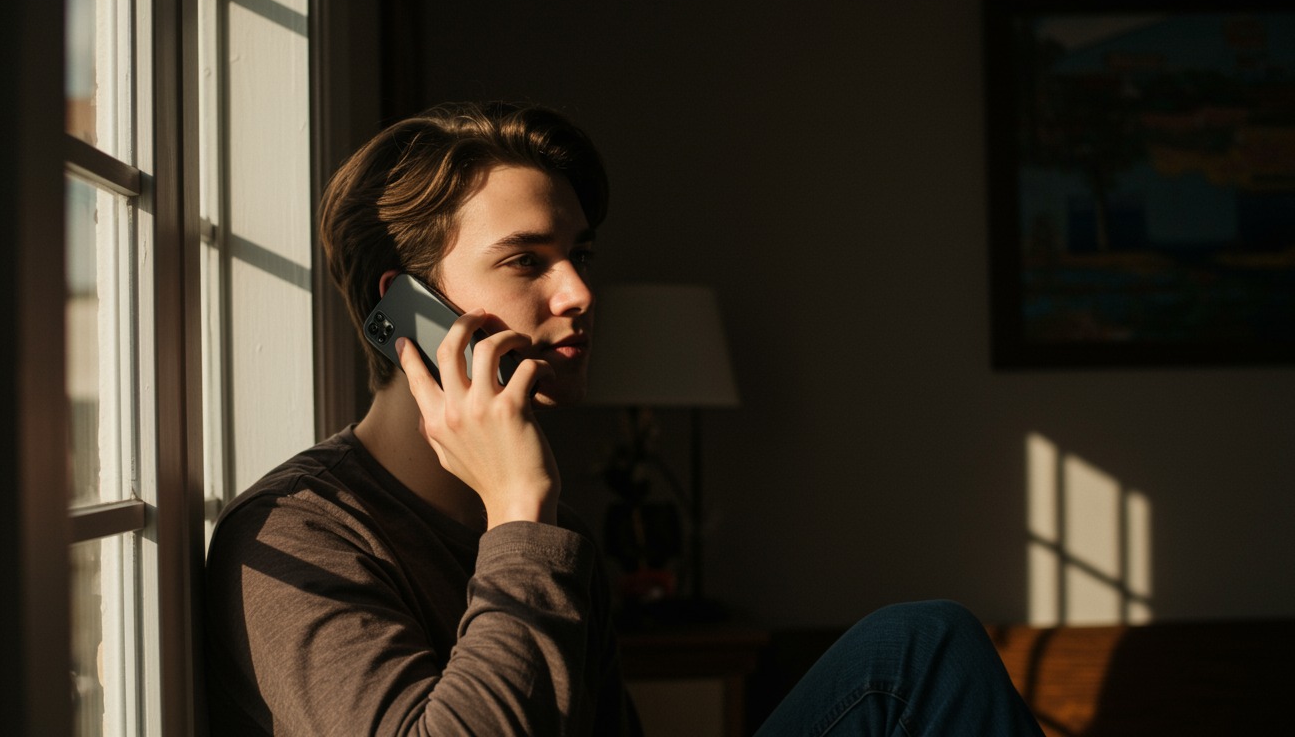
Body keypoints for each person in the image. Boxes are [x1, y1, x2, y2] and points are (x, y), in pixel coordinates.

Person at [203, 101, 1044, 736]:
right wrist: (520, 517)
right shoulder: (298, 538)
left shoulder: (549, 530)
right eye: (526, 260)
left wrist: (526, 523)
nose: (578, 295)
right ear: (409, 308)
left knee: (919, 648)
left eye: (581, 256)